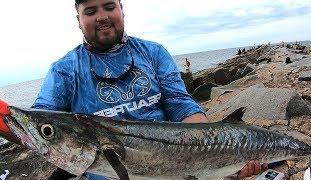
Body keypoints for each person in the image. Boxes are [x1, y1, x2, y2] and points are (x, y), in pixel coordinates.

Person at [30, 0, 267, 179]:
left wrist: (219, 149)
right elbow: (38, 122)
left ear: (122, 9)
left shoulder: (152, 52)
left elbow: (179, 103)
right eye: (90, 11)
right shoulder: (64, 70)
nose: (102, 16)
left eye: (109, 7)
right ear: (78, 20)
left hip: (174, 171)